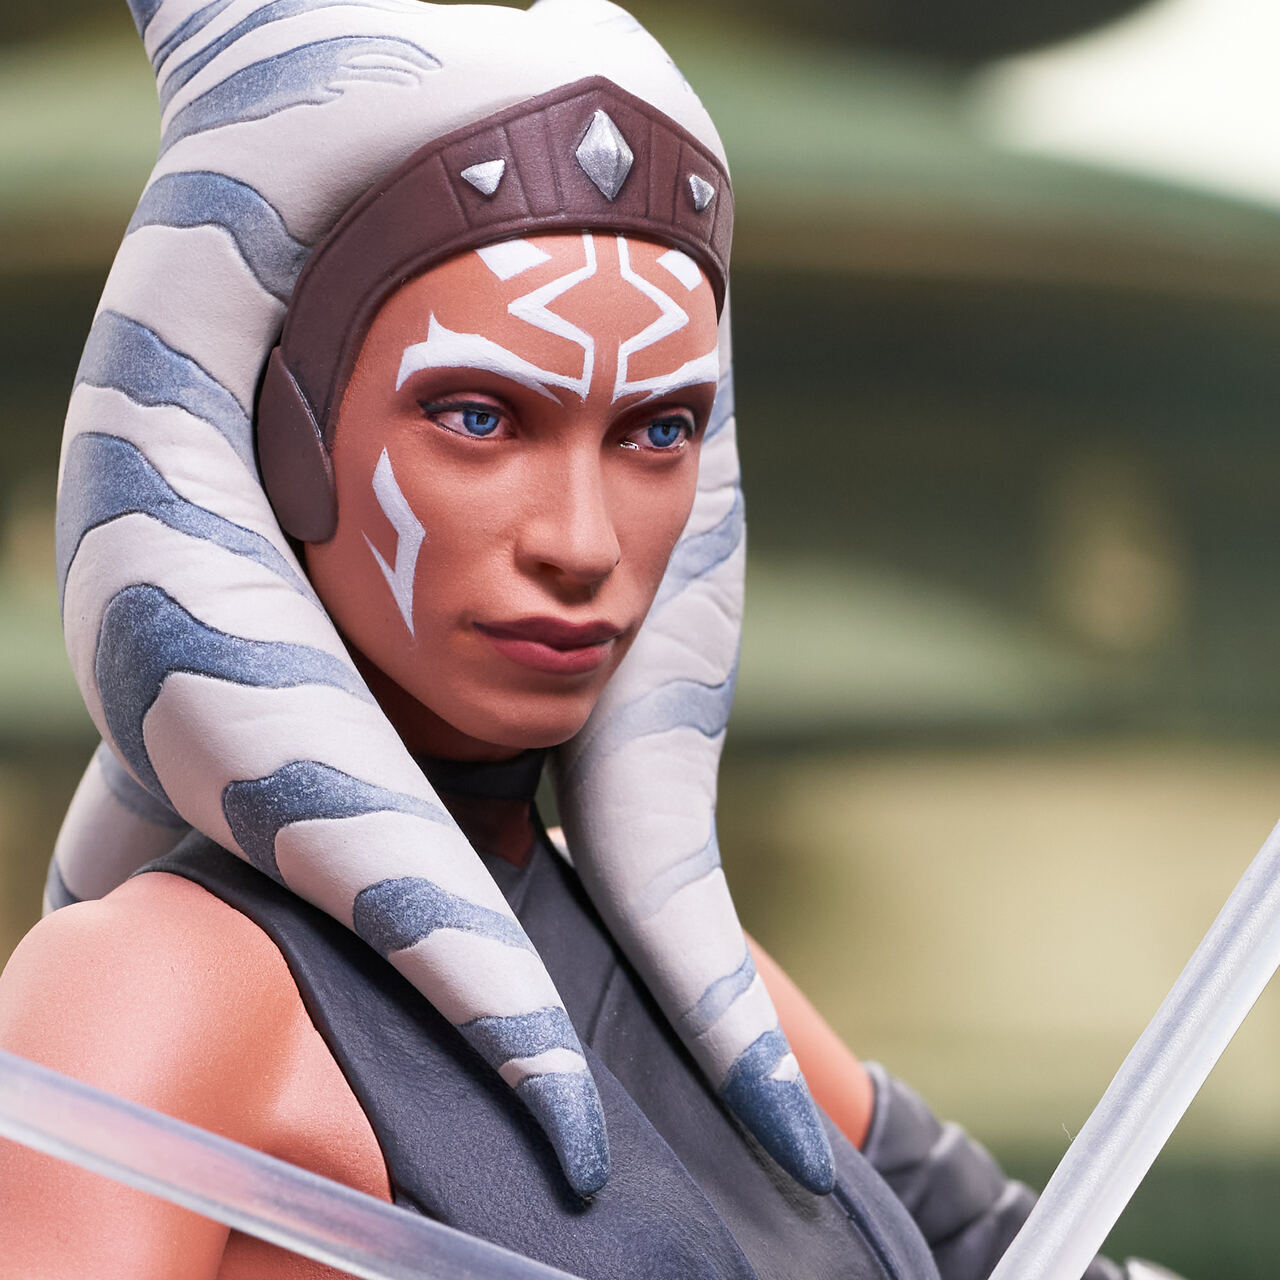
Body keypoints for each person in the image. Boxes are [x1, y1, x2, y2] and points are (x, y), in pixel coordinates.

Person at [0, 1, 1182, 1276]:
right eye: (476, 415)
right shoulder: (154, 990)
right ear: (270, 430)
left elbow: (1015, 1252)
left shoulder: (665, 973)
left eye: (657, 431)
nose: (581, 541)